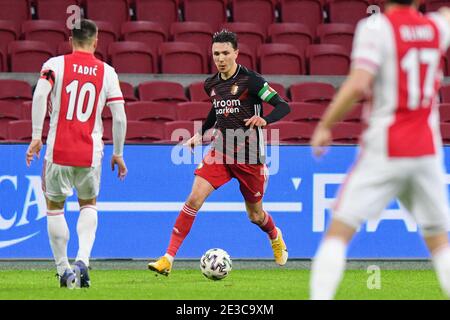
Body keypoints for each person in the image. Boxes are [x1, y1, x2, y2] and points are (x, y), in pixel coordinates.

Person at [309, 1, 450, 299]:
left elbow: (359, 83)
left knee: (339, 231)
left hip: (387, 147)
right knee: (439, 243)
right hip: (427, 151)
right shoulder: (438, 27)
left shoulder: (376, 28)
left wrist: (325, 125)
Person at [148, 30, 291, 276]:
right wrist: (199, 134)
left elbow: (283, 105)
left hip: (250, 157)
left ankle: (274, 234)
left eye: (226, 53)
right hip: (221, 152)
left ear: (236, 53)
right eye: (216, 54)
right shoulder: (211, 84)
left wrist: (264, 120)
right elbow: (216, 111)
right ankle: (167, 258)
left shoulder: (252, 81)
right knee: (193, 199)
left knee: (255, 216)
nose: (221, 58)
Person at [25, 19, 127, 289]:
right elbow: (119, 116)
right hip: (90, 153)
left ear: (70, 41)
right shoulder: (107, 72)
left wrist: (37, 136)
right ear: (96, 41)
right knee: (89, 204)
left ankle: (63, 270)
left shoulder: (54, 65)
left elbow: (38, 97)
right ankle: (83, 260)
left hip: (58, 151)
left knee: (55, 208)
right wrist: (118, 153)